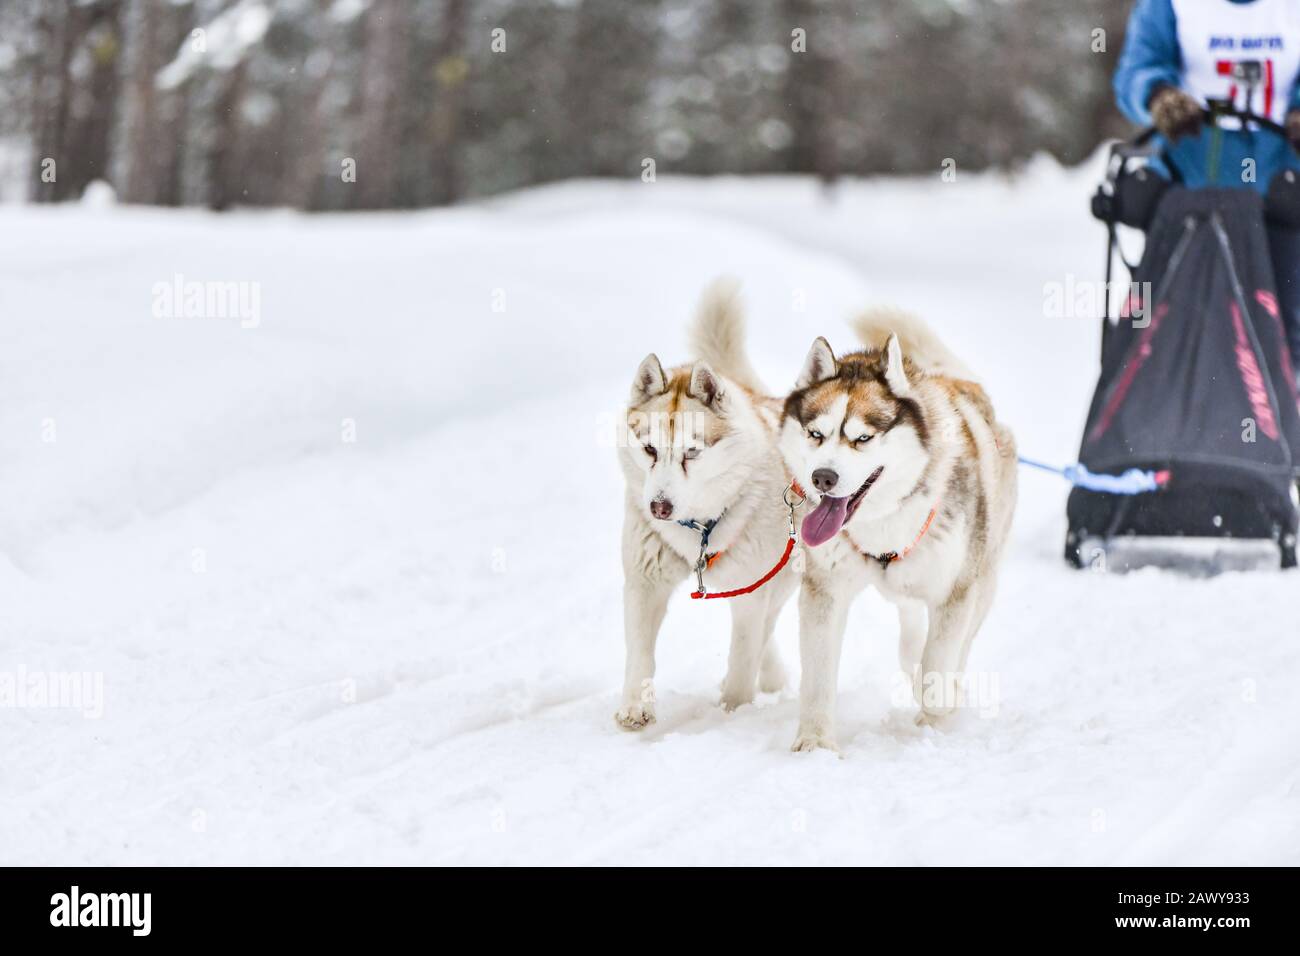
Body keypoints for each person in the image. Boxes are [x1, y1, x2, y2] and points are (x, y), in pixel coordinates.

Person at [1114, 0, 1300, 381]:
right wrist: (1157, 95)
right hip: (1189, 187)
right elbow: (1136, 69)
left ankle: (1283, 418)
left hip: (1280, 190)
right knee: (1162, 326)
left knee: (1283, 324)